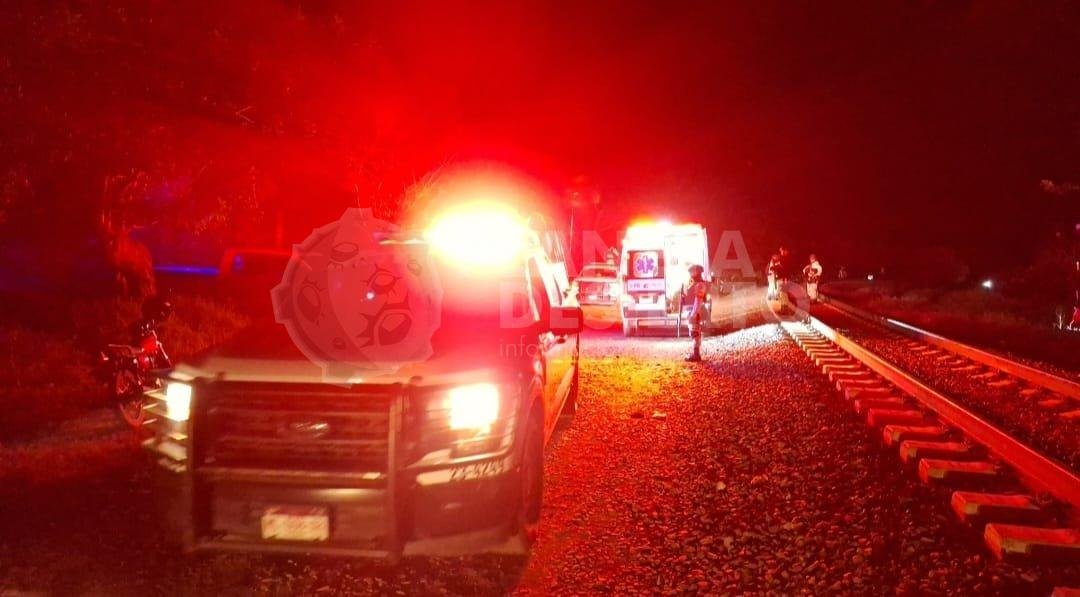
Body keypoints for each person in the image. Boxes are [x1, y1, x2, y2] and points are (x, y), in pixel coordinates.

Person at [683, 264, 709, 362]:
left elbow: (698, 301)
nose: (690, 274)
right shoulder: (695, 283)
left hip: (695, 312)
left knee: (695, 333)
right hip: (692, 311)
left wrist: (693, 315)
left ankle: (696, 354)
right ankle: (695, 353)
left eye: (691, 272)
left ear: (696, 272)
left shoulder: (699, 284)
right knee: (694, 333)